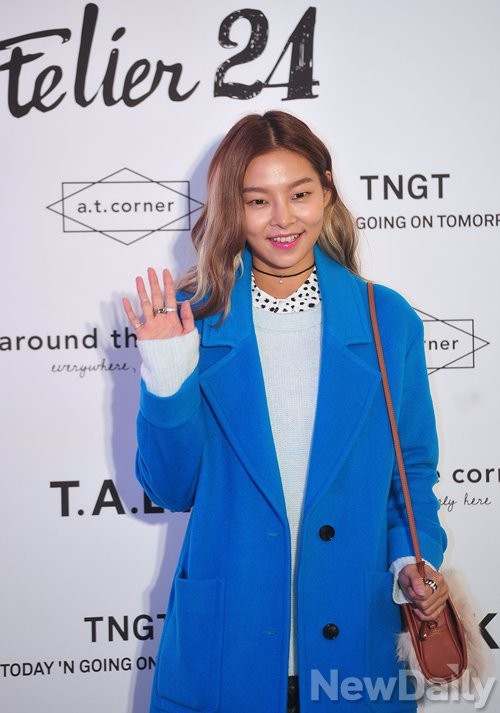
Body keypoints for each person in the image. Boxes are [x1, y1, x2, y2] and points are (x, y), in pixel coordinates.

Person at [123, 111, 449, 713]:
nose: (282, 219)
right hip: (227, 644)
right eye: (257, 201)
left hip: (358, 638)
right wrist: (167, 369)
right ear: (232, 208)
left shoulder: (385, 318)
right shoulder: (193, 319)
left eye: (299, 194)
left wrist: (411, 558)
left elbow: (412, 468)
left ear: (326, 191)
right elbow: (170, 489)